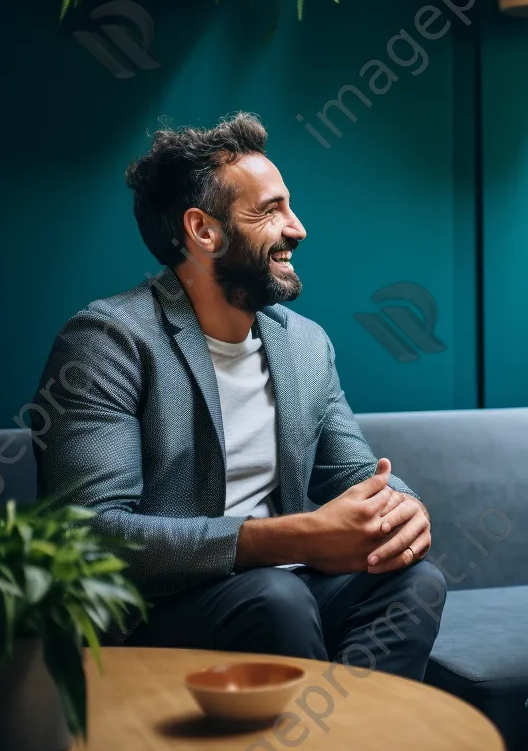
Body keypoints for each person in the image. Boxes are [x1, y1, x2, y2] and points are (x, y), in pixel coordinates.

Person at [29, 111, 445, 679]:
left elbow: (355, 472)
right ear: (204, 231)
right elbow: (91, 535)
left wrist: (402, 510)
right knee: (274, 596)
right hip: (155, 615)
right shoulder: (108, 341)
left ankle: (345, 743)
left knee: (415, 583)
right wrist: (292, 539)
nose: (297, 228)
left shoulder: (304, 344)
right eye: (271, 210)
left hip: (283, 593)